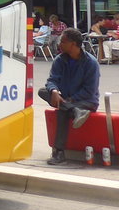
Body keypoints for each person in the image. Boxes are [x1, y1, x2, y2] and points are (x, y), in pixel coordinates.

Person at [37, 27, 100, 165]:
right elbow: (52, 80)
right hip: (64, 98)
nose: (60, 44)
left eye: (63, 41)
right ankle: (75, 111)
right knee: (42, 91)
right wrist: (54, 91)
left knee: (62, 111)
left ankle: (59, 153)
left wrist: (68, 100)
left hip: (85, 101)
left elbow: (89, 90)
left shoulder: (91, 63)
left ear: (73, 44)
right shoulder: (60, 60)